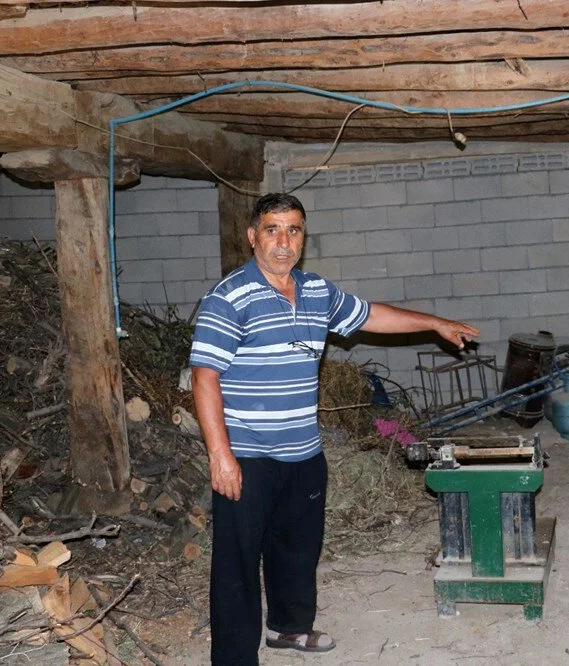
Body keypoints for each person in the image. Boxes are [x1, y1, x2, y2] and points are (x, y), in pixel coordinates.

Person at [190, 192, 480, 665]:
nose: (283, 242)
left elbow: (371, 316)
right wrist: (220, 456)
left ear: (304, 236)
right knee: (237, 566)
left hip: (304, 451)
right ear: (252, 236)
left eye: (294, 230)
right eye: (272, 229)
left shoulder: (317, 292)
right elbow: (205, 377)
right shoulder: (228, 298)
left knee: (298, 550)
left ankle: (289, 629)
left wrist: (435, 323)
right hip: (248, 455)